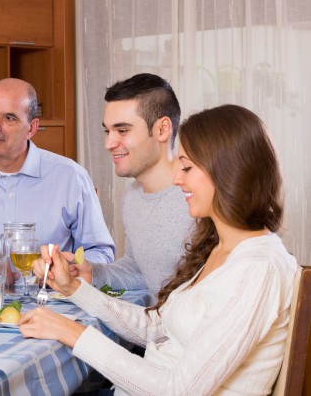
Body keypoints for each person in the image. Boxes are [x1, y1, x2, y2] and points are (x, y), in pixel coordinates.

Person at [20, 104, 298, 395]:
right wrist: (75, 288)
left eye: (187, 167)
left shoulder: (257, 269)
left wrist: (73, 333)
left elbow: (179, 389)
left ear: (229, 172)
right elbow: (155, 327)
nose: (178, 179)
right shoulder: (223, 249)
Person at [0, 78, 114, 279]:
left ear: (32, 128)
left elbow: (101, 253)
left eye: (9, 118)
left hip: (49, 303)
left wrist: (67, 268)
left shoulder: (70, 177)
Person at [50, 73, 194, 299]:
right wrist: (93, 272)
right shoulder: (132, 196)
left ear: (162, 129)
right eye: (108, 131)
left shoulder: (199, 194)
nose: (109, 143)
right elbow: (140, 269)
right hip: (159, 328)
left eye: (123, 130)